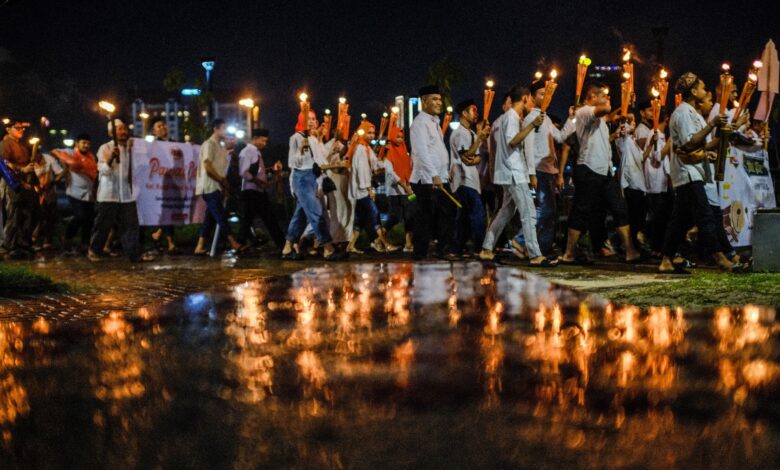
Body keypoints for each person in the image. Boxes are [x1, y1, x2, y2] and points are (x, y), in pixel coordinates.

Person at [658, 73, 742, 273]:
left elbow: (707, 145)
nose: (706, 92)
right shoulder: (683, 113)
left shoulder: (694, 114)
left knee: (681, 220)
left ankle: (666, 259)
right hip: (688, 173)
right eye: (703, 88)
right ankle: (719, 257)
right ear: (694, 92)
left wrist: (726, 133)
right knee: (706, 216)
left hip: (696, 172)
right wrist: (713, 125)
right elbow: (690, 143)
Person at [558, 83, 641, 265]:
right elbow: (605, 109)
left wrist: (625, 104)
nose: (607, 99)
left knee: (619, 208)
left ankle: (630, 251)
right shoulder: (584, 111)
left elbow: (610, 115)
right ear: (593, 97)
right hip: (588, 168)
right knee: (581, 210)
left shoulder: (598, 119)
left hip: (604, 170)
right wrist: (615, 103)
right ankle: (569, 253)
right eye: (603, 95)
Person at [480, 87, 555, 266]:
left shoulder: (507, 118)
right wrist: (532, 125)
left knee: (505, 212)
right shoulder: (512, 117)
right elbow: (513, 141)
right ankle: (535, 255)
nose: (531, 102)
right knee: (529, 213)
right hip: (514, 172)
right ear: (525, 97)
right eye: (529, 98)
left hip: (508, 171)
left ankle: (486, 249)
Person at [514, 81, 566, 257]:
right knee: (543, 210)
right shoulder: (531, 118)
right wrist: (531, 173)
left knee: (550, 212)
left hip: (549, 170)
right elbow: (526, 147)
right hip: (539, 170)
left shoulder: (547, 118)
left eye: (548, 94)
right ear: (533, 97)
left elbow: (560, 137)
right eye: (542, 94)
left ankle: (542, 248)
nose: (546, 97)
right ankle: (519, 241)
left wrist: (574, 118)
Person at [282, 110, 340, 259]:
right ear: (302, 120)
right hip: (301, 178)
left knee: (300, 214)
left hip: (313, 177)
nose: (312, 122)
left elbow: (320, 161)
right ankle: (327, 246)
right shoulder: (295, 138)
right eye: (309, 119)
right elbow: (292, 163)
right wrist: (301, 149)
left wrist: (327, 171)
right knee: (316, 212)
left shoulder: (313, 139)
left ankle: (288, 247)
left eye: (314, 119)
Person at [88, 119, 146, 262]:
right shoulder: (104, 148)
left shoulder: (132, 148)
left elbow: (140, 168)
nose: (123, 132)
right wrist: (112, 157)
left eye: (125, 129)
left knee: (131, 225)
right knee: (103, 225)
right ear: (111, 133)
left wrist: (133, 152)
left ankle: (134, 254)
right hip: (108, 194)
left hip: (127, 194)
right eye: (119, 129)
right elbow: (102, 171)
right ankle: (94, 251)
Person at [409, 85, 456, 260]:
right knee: (426, 217)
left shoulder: (434, 122)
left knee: (443, 214)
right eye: (434, 99)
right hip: (426, 180)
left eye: (439, 99)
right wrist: (434, 175)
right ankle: (420, 253)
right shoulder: (420, 124)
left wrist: (444, 172)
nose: (439, 102)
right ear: (423, 101)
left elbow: (437, 150)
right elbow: (422, 152)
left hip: (438, 177)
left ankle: (441, 249)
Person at [193, 119, 245, 255]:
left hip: (217, 186)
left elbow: (223, 166)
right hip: (209, 186)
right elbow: (207, 166)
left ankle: (199, 246)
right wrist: (221, 180)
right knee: (220, 216)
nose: (225, 131)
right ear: (216, 129)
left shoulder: (220, 147)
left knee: (210, 217)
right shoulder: (208, 144)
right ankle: (234, 243)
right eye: (223, 128)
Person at [346, 120, 398, 253]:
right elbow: (362, 171)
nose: (372, 135)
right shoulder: (361, 149)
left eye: (373, 133)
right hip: (361, 190)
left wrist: (385, 155)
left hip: (361, 189)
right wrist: (369, 189)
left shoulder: (366, 148)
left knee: (361, 220)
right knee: (374, 215)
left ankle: (350, 245)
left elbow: (375, 165)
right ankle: (385, 244)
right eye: (369, 133)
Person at [449, 98, 489, 256]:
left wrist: (472, 153)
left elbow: (476, 157)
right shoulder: (459, 133)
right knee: (478, 215)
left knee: (464, 217)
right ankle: (480, 248)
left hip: (471, 179)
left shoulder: (471, 133)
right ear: (464, 113)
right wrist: (479, 140)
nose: (477, 113)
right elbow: (467, 156)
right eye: (473, 110)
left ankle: (457, 248)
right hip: (464, 180)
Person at [237, 128, 285, 249]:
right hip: (251, 191)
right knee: (255, 220)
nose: (264, 143)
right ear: (255, 138)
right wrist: (259, 182)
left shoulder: (255, 152)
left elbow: (257, 171)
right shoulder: (247, 151)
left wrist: (271, 170)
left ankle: (282, 244)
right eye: (263, 140)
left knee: (261, 219)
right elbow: (244, 172)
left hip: (257, 191)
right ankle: (282, 245)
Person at [635, 105, 673, 257]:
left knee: (663, 215)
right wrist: (670, 143)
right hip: (655, 182)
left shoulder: (661, 134)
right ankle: (655, 246)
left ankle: (657, 245)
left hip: (663, 181)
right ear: (667, 119)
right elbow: (657, 157)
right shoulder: (654, 134)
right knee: (658, 216)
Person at [52, 134, 97, 254]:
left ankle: (85, 245)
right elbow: (54, 151)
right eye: (83, 143)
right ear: (77, 143)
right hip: (74, 192)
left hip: (89, 194)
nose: (86, 145)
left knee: (89, 220)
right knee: (80, 216)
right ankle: (67, 240)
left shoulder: (91, 157)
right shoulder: (70, 152)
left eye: (88, 143)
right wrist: (67, 162)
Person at [0, 119, 38, 259]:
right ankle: (10, 246)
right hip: (12, 183)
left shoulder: (22, 146)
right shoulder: (5, 144)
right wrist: (21, 171)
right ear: (9, 129)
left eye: (23, 128)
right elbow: (4, 164)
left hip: (25, 184)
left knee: (29, 214)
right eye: (18, 128)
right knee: (14, 216)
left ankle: (23, 243)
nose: (21, 130)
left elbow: (29, 165)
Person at [145, 116, 179, 254]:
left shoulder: (174, 143)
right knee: (167, 210)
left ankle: (158, 233)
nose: (162, 127)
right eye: (158, 126)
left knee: (173, 210)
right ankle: (171, 243)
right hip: (160, 184)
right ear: (154, 131)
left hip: (174, 182)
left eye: (163, 125)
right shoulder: (153, 146)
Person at [615, 113, 647, 248]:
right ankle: (626, 245)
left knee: (638, 216)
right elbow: (622, 136)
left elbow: (641, 158)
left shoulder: (632, 140)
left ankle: (630, 244)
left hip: (639, 182)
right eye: (630, 121)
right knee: (633, 217)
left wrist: (651, 144)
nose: (633, 123)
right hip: (630, 182)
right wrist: (623, 130)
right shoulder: (623, 139)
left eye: (633, 120)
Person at [382, 127, 414, 252]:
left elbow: (409, 169)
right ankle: (379, 239)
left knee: (409, 216)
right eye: (397, 137)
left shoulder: (405, 152)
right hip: (394, 191)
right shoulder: (389, 154)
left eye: (401, 137)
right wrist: (404, 186)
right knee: (395, 217)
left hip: (406, 190)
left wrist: (408, 186)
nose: (400, 139)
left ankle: (408, 243)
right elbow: (391, 174)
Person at [33, 150, 67, 250]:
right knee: (37, 216)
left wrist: (53, 182)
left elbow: (61, 172)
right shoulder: (28, 161)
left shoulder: (48, 159)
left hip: (50, 192)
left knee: (50, 217)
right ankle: (33, 239)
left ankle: (48, 241)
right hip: (35, 193)